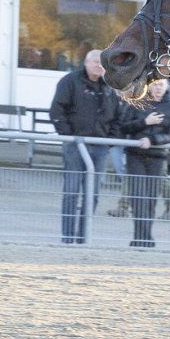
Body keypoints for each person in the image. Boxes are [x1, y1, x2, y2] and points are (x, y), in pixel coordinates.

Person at [50, 49, 120, 244]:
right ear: (87, 63)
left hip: (99, 147)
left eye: (102, 63)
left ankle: (83, 237)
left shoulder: (110, 86)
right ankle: (68, 237)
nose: (99, 66)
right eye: (96, 62)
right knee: (71, 192)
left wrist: (109, 142)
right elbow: (57, 110)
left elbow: (117, 117)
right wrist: (69, 136)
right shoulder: (70, 81)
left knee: (93, 194)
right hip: (75, 146)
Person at [118, 78, 170, 248]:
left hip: (157, 157)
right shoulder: (136, 102)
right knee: (138, 197)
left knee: (151, 198)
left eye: (161, 84)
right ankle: (139, 237)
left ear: (166, 87)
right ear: (148, 85)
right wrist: (145, 122)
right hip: (135, 155)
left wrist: (153, 139)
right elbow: (122, 127)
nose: (158, 87)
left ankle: (146, 237)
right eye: (155, 84)